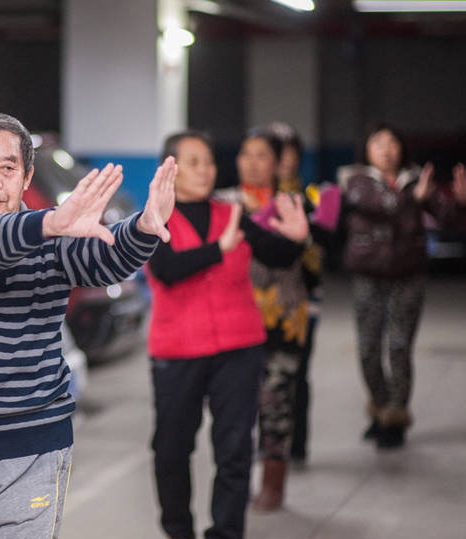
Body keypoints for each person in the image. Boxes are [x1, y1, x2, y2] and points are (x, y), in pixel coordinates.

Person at [0, 111, 177, 539]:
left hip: (32, 447)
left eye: (8, 168)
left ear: (26, 175)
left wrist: (142, 229)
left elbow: (101, 261)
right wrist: (47, 223)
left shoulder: (50, 236)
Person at [145, 130, 308, 539]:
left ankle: (226, 532)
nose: (206, 170)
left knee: (234, 450)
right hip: (177, 350)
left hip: (239, 348)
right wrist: (220, 248)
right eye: (194, 161)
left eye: (210, 161)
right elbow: (166, 270)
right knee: (171, 449)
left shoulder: (231, 213)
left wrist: (298, 237)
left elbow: (277, 254)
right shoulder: (154, 218)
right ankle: (177, 529)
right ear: (172, 168)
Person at [339, 123, 466, 449]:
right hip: (368, 274)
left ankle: (396, 418)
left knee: (399, 347)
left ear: (402, 148)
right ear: (366, 149)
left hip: (408, 274)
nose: (387, 149)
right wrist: (414, 199)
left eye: (393, 142)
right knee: (368, 349)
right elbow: (379, 208)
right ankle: (380, 407)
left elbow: (447, 217)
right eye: (378, 142)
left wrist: (461, 202)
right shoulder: (354, 181)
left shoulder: (416, 180)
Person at [236, 129, 310, 512]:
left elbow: (293, 256)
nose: (251, 161)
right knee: (239, 406)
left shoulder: (292, 204)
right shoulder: (226, 204)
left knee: (276, 403)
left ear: (278, 162)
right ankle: (242, 477)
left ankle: (274, 483)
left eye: (262, 155)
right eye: (245, 153)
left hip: (281, 318)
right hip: (236, 320)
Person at [267, 121, 340, 465]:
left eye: (290, 152)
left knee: (298, 371)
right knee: (261, 375)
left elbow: (329, 242)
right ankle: (267, 447)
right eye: (276, 153)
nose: (284, 160)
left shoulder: (311, 197)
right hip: (260, 300)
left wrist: (313, 223)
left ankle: (296, 447)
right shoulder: (254, 200)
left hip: (303, 300)